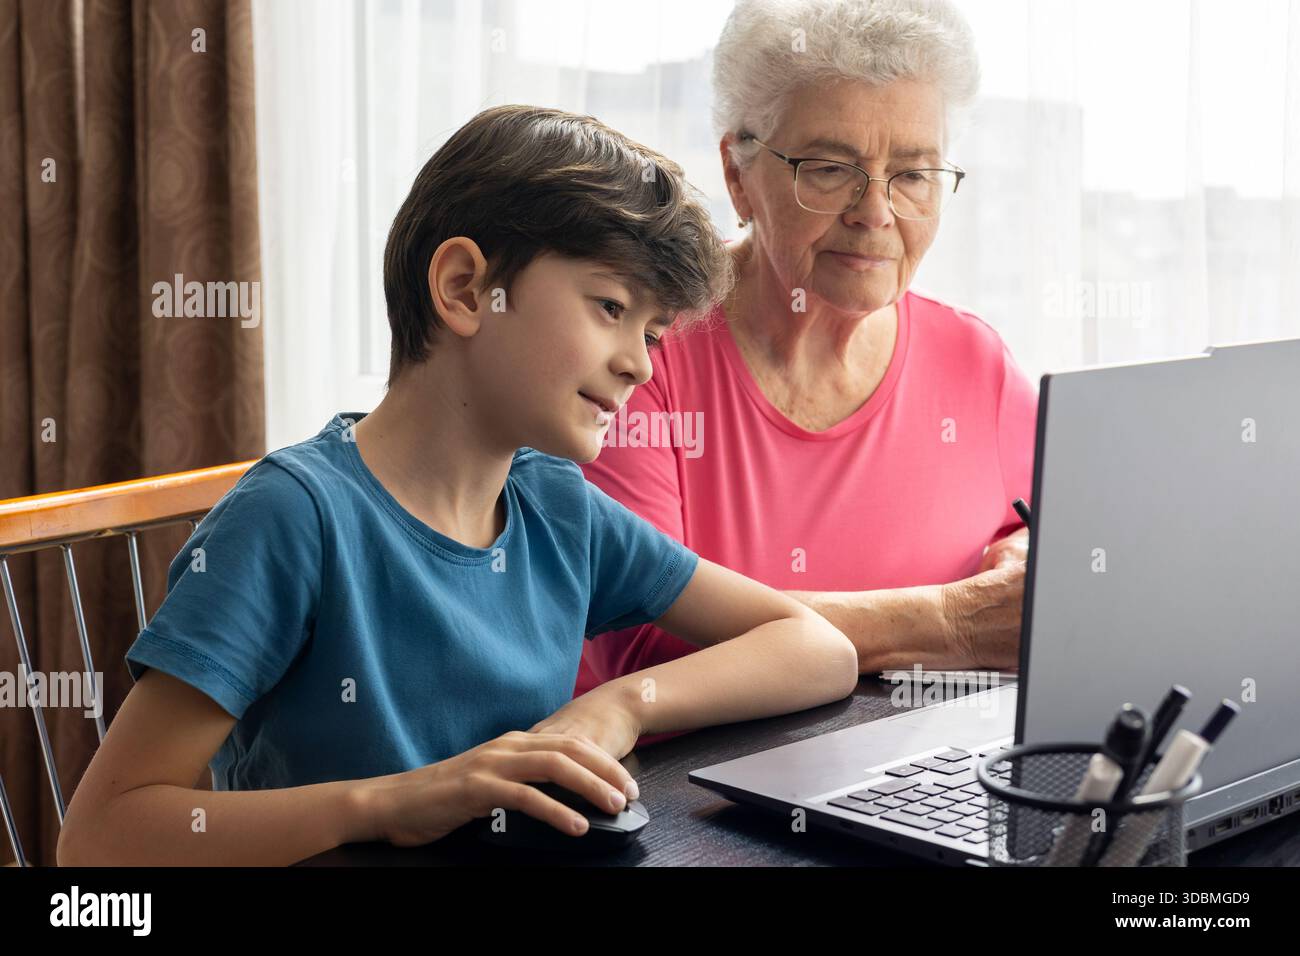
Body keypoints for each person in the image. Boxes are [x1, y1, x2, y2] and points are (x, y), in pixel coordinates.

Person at [56, 105, 859, 866]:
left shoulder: (557, 507)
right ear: (467, 289)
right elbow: (98, 835)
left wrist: (616, 706)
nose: (640, 364)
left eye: (651, 332)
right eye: (610, 307)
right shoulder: (293, 519)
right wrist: (392, 803)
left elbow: (817, 650)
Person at [576, 0, 1037, 719]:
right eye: (830, 169)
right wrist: (953, 622)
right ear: (738, 174)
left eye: (914, 175)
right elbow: (641, 646)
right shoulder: (644, 360)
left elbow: (1052, 540)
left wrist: (1033, 556)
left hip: (924, 786)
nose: (876, 212)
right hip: (695, 808)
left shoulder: (975, 362)